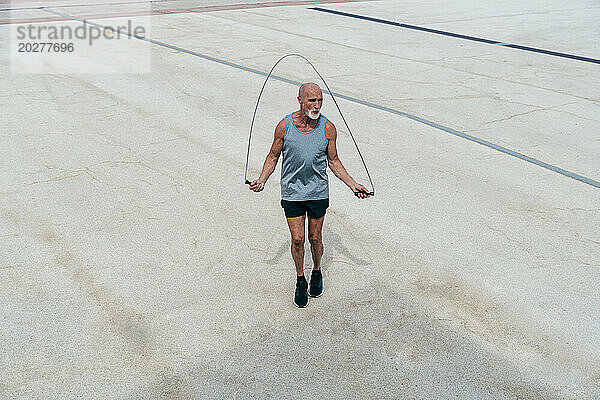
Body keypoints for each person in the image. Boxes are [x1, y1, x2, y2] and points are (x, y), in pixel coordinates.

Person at [249, 82, 370, 308]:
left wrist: (353, 184)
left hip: (317, 192)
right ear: (300, 100)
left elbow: (334, 160)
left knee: (315, 238)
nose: (317, 105)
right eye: (312, 100)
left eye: (320, 100)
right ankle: (300, 279)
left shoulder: (328, 128)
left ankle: (316, 271)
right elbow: (273, 156)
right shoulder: (284, 126)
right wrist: (262, 179)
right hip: (293, 192)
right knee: (297, 239)